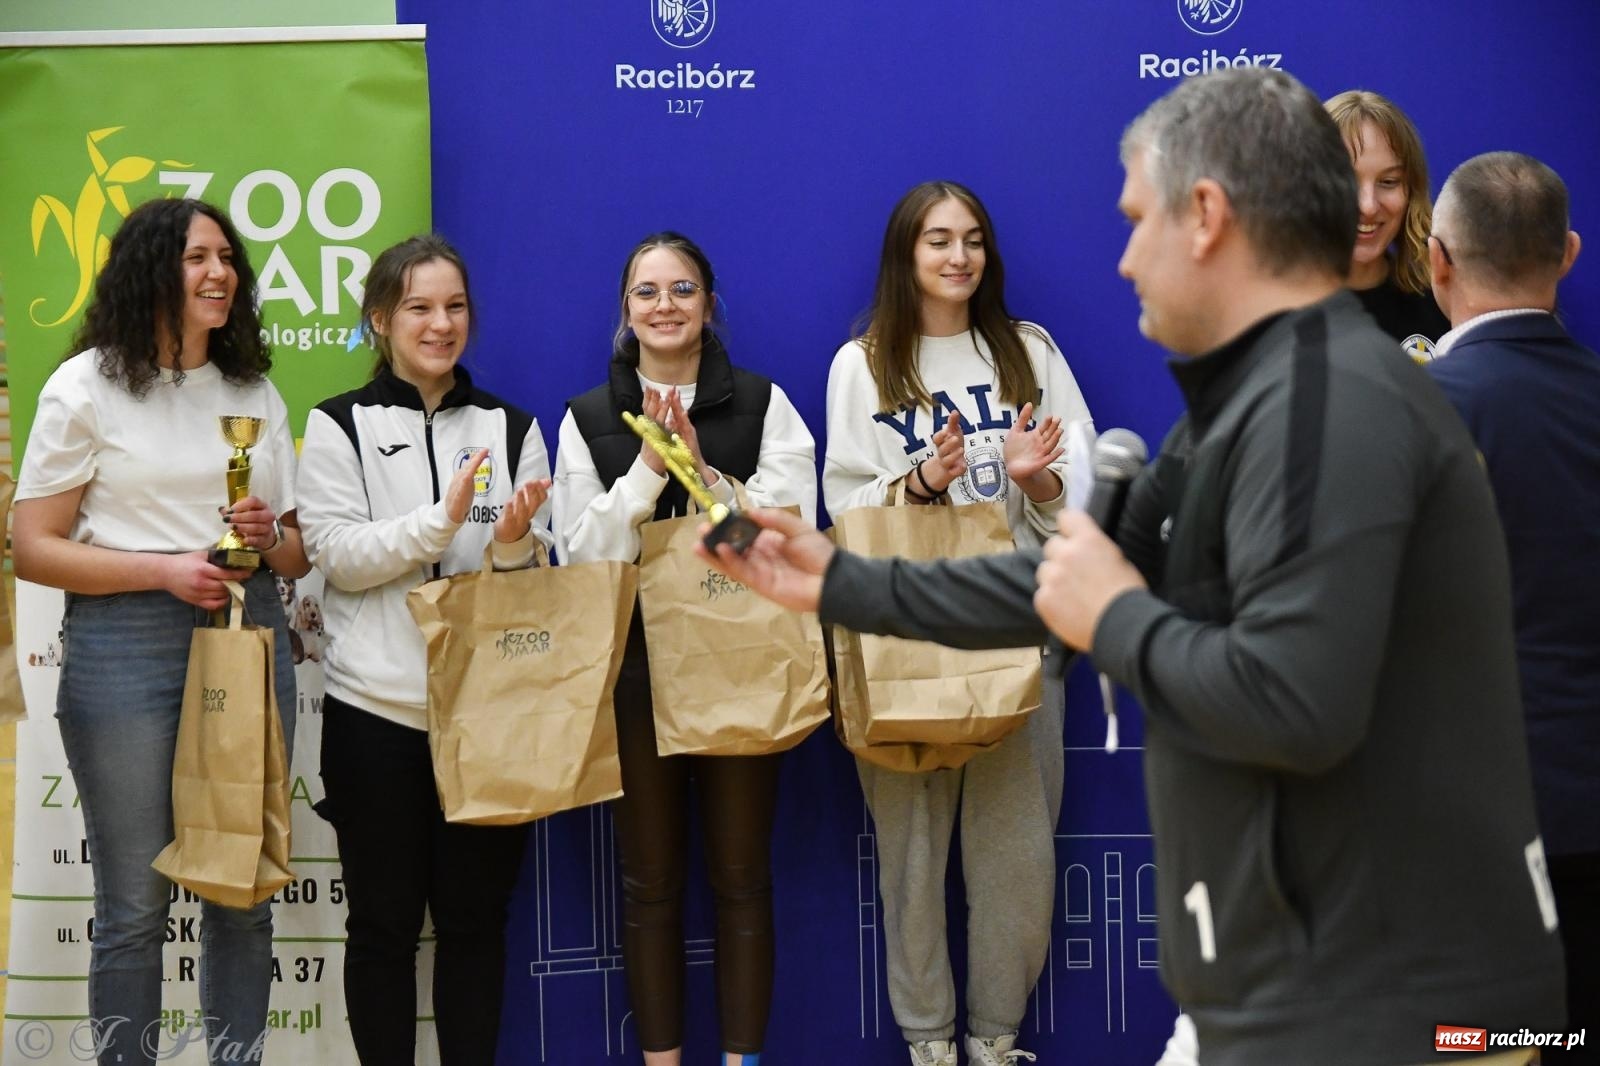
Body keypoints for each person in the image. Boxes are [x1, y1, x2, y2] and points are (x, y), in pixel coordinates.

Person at [699, 68, 1566, 1066]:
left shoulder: (1335, 407)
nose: (1120, 261)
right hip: (1300, 979)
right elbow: (1063, 577)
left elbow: (1294, 701)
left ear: (1205, 217)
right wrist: (839, 579)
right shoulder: (1251, 402)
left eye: (1136, 219)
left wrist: (1111, 614)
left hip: (1403, 999)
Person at [12, 197, 308, 1066]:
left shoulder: (253, 389)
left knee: (242, 892)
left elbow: (293, 557)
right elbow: (32, 547)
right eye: (196, 258)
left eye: (227, 257)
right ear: (150, 272)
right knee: (137, 905)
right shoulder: (86, 385)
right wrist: (166, 570)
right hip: (125, 644)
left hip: (243, 630)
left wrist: (264, 539)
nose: (220, 272)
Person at [823, 180, 1092, 1066]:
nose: (958, 257)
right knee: (911, 859)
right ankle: (929, 1046)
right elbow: (839, 510)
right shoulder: (861, 364)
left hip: (1019, 629)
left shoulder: (1028, 353)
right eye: (938, 241)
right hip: (903, 637)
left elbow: (1084, 501)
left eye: (973, 240)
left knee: (1015, 860)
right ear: (907, 255)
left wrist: (1039, 481)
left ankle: (994, 1040)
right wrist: (922, 484)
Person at [551, 231, 816, 1066]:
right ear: (625, 314)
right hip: (633, 669)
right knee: (650, 881)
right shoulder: (588, 418)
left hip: (744, 660)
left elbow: (786, 540)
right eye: (647, 293)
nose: (665, 307)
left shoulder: (764, 405)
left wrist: (703, 474)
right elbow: (581, 558)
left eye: (682, 290)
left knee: (742, 876)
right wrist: (643, 474)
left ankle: (743, 1059)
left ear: (710, 304)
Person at [294, 234, 553, 1064]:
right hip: (375, 716)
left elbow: (528, 575)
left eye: (455, 307)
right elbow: (337, 554)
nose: (440, 324)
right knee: (381, 930)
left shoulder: (512, 426)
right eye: (419, 308)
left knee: (476, 927)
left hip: (488, 717)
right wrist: (440, 523)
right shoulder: (339, 424)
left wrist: (512, 542)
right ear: (381, 320)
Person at [1426, 152, 1597, 1064]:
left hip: (1474, 849)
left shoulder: (1409, 414)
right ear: (1567, 253)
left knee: (1484, 1049)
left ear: (1436, 260)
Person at [1325, 90, 1452, 354]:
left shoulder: (1442, 303)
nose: (1368, 206)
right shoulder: (1267, 309)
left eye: (1388, 182)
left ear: (1411, 193)